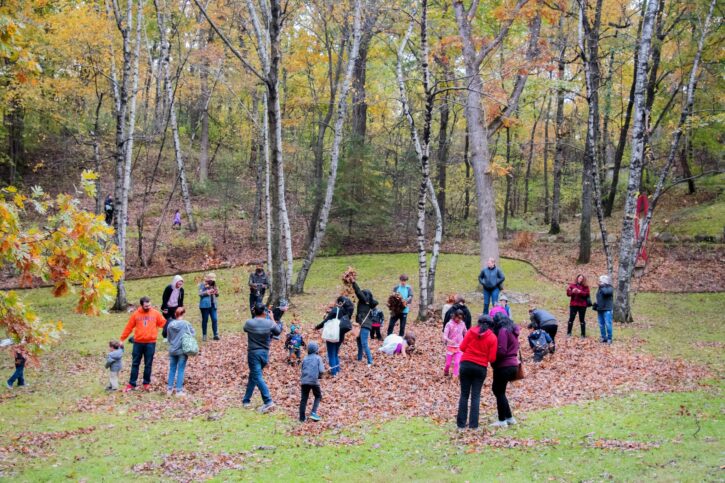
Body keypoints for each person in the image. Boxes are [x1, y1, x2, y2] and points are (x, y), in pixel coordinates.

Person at [456, 315, 498, 430]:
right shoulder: (493, 337)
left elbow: (462, 347)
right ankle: (474, 425)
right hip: (480, 367)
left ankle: (460, 425)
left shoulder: (470, 332)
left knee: (464, 395)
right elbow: (492, 358)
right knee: (476, 396)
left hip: (466, 364)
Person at [120, 296, 167, 392]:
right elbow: (129, 327)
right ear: (141, 305)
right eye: (146, 306)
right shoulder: (136, 314)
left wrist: (174, 327)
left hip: (150, 343)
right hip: (138, 343)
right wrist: (122, 339)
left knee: (148, 364)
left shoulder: (156, 313)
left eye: (149, 305)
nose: (148, 307)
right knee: (135, 364)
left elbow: (164, 324)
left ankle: (146, 383)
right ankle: (132, 384)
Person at [243, 304, 282, 412]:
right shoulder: (269, 323)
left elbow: (245, 329)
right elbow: (278, 331)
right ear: (265, 312)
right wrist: (273, 318)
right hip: (265, 354)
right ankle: (246, 400)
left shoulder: (249, 323)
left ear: (254, 311)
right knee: (254, 375)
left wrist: (254, 314)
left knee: (257, 376)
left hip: (253, 354)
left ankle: (268, 401)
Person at [490, 316, 520, 427]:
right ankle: (509, 418)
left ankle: (502, 420)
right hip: (513, 364)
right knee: (499, 391)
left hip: (504, 365)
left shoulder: (503, 331)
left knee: (498, 391)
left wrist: (492, 359)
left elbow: (502, 350)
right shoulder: (513, 331)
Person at [315, 297, 352, 376]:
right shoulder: (346, 311)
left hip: (332, 335)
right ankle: (337, 370)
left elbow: (326, 321)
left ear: (339, 302)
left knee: (331, 354)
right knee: (335, 353)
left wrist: (316, 327)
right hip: (340, 336)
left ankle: (334, 373)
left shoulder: (336, 310)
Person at [166, 307, 195, 396]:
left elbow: (169, 338)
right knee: (181, 369)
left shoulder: (170, 325)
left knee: (172, 369)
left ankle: (169, 389)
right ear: (183, 314)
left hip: (172, 349)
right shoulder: (186, 324)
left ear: (175, 314)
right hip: (182, 350)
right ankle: (179, 391)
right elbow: (192, 334)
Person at [353, 281, 377, 366]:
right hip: (361, 325)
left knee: (364, 343)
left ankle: (370, 361)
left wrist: (353, 283)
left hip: (364, 325)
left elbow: (358, 292)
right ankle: (359, 359)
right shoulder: (368, 302)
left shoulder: (365, 301)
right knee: (359, 343)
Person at [299, 341, 325, 422]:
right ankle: (313, 413)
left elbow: (302, 368)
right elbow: (321, 370)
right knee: (318, 396)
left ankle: (302, 418)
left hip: (304, 381)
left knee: (304, 399)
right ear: (316, 349)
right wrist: (319, 376)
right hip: (314, 381)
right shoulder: (318, 358)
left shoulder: (305, 358)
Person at [443, 310, 467, 377]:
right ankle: (446, 371)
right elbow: (445, 335)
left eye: (461, 318)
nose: (459, 320)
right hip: (450, 346)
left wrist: (467, 339)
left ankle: (455, 376)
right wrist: (448, 340)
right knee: (448, 364)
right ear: (454, 316)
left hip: (459, 346)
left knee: (457, 363)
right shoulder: (449, 324)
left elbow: (466, 332)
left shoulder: (462, 324)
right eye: (458, 318)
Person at [199, 273, 219, 342]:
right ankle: (204, 335)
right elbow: (200, 294)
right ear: (208, 279)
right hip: (205, 306)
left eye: (213, 280)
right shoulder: (203, 285)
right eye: (211, 280)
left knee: (214, 319)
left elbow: (217, 295)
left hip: (213, 305)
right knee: (205, 320)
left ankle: (215, 334)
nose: (212, 281)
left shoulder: (214, 285)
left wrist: (216, 292)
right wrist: (207, 292)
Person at [594, 275, 614, 344]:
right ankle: (603, 337)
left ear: (604, 281)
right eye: (599, 281)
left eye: (600, 281)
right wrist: (595, 305)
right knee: (601, 324)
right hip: (600, 309)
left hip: (607, 309)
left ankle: (609, 338)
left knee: (608, 324)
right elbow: (598, 298)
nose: (599, 282)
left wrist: (601, 286)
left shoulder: (610, 287)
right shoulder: (600, 288)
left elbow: (606, 293)